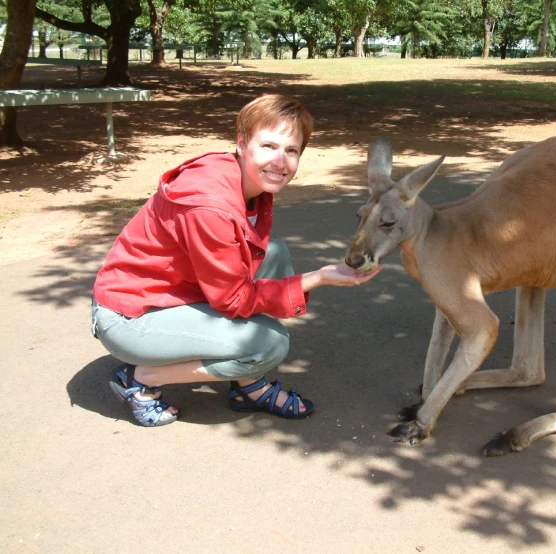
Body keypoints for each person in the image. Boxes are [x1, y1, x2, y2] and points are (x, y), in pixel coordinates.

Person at [91, 94, 381, 427]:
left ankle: (248, 386)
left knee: (275, 254)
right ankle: (143, 377)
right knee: (268, 344)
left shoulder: (246, 180)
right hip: (132, 318)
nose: (280, 161)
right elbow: (233, 299)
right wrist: (320, 276)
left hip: (173, 294)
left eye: (292, 151)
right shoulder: (210, 206)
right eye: (269, 146)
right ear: (242, 143)